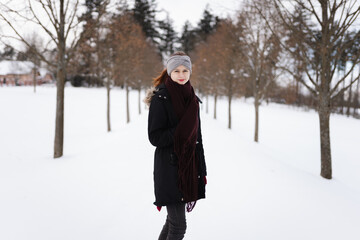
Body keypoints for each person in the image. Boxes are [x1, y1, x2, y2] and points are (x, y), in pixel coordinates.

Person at [145, 51, 207, 240]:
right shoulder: (160, 99)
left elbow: (198, 139)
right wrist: (180, 132)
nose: (181, 75)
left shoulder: (193, 101)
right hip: (170, 170)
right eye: (177, 70)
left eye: (185, 70)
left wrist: (202, 171)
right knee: (179, 226)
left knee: (173, 223)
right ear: (170, 72)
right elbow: (155, 137)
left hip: (188, 168)